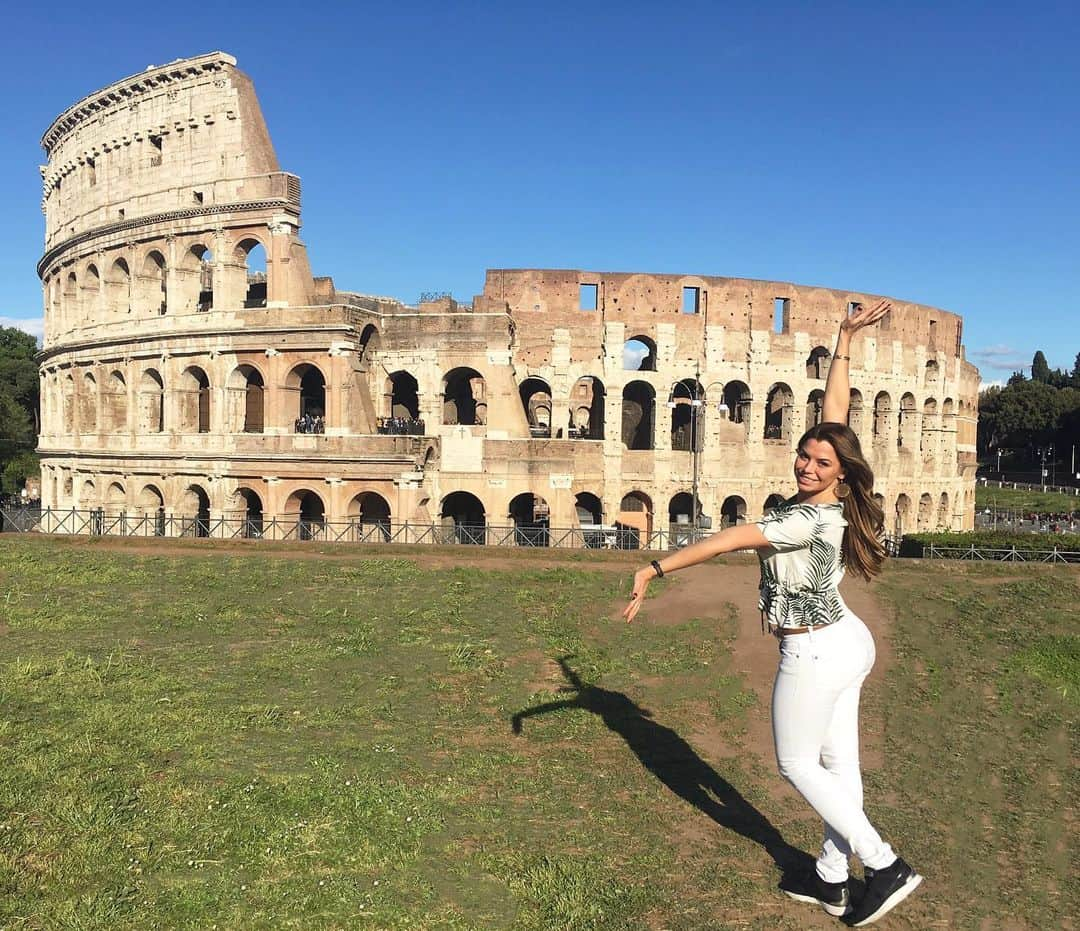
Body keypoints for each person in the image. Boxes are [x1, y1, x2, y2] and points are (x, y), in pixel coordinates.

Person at [623, 301, 923, 927]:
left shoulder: (797, 519)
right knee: (838, 765)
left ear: (841, 474)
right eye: (804, 457)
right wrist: (843, 342)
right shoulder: (836, 500)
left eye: (821, 463)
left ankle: (884, 863)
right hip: (845, 639)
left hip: (815, 649)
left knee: (795, 763)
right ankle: (833, 879)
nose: (807, 466)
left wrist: (654, 569)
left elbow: (726, 541)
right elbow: (834, 415)